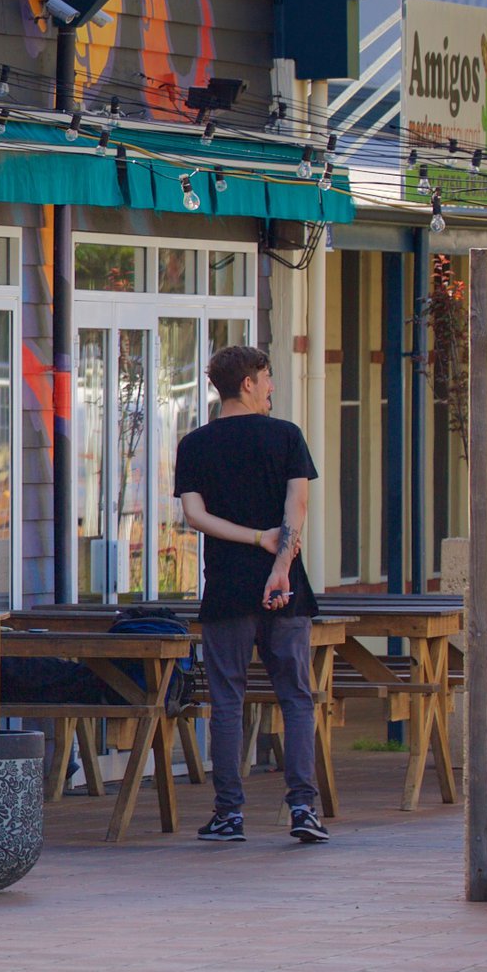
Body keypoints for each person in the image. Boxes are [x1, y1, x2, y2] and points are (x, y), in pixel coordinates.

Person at [174, 344, 327, 845]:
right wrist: (280, 564)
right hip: (285, 589)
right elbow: (297, 503)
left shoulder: (195, 444)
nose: (271, 388)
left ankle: (229, 814)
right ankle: (304, 807)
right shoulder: (286, 436)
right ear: (247, 383)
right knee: (296, 697)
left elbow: (194, 516)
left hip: (226, 588)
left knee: (227, 700)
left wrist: (252, 539)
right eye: (267, 379)